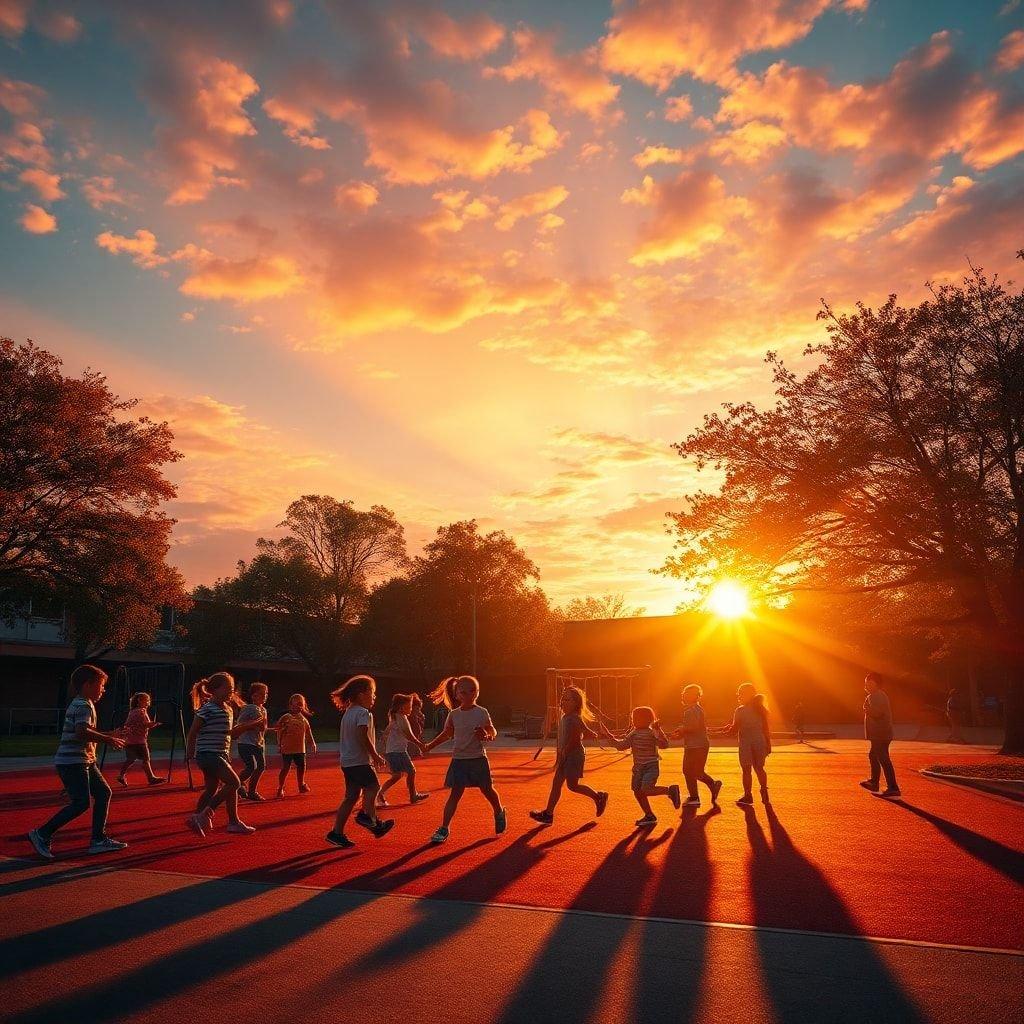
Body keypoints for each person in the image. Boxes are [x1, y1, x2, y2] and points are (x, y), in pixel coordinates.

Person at [28, 664, 128, 859]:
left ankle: (98, 840)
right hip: (74, 762)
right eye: (101, 685)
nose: (103, 690)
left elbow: (84, 731)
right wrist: (108, 739)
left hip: (83, 761)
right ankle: (42, 833)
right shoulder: (83, 705)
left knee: (103, 792)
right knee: (81, 803)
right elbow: (81, 732)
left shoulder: (84, 704)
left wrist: (110, 734)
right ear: (88, 684)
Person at [423, 675, 507, 844]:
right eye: (463, 691)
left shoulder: (482, 712)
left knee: (487, 790)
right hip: (459, 760)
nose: (468, 694)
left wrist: (488, 736)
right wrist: (430, 745)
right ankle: (444, 828)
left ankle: (499, 811)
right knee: (455, 794)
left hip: (477, 759)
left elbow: (492, 730)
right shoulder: (454, 715)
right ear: (457, 694)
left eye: (472, 690)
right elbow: (447, 734)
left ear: (477, 693)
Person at [185, 672, 263, 837]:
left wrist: (248, 726)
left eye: (232, 689)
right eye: (227, 688)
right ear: (214, 690)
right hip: (209, 755)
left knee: (212, 788)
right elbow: (193, 732)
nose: (230, 692)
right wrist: (190, 751)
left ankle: (216, 820)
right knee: (234, 783)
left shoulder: (228, 709)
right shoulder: (207, 709)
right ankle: (207, 813)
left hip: (220, 754)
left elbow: (230, 734)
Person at [326, 675, 394, 848]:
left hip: (348, 761)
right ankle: (367, 817)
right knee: (373, 787)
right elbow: (363, 735)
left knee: (351, 797)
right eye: (372, 692)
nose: (374, 697)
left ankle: (337, 833)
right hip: (359, 760)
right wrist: (376, 755)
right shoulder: (364, 713)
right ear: (362, 694)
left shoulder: (348, 713)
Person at [529, 685, 608, 824]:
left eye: (568, 700)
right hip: (567, 754)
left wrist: (565, 751)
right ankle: (548, 814)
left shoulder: (573, 718)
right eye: (563, 699)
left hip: (573, 756)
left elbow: (575, 739)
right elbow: (586, 731)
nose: (563, 702)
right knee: (556, 783)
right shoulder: (568, 717)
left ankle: (598, 796)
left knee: (573, 786)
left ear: (576, 703)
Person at [600, 706, 680, 827]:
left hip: (651, 766)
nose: (634, 720)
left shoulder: (652, 733)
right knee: (637, 791)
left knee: (646, 789)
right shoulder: (633, 734)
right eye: (633, 718)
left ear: (649, 719)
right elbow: (621, 746)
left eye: (637, 718)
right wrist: (609, 736)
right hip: (638, 768)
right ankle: (649, 815)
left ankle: (669, 790)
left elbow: (664, 745)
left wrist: (659, 730)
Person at [713, 682, 771, 806]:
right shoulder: (761, 709)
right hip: (760, 741)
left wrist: (722, 732)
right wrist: (768, 743)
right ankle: (764, 791)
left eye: (740, 694)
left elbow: (734, 729)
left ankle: (748, 795)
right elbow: (765, 728)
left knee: (746, 770)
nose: (738, 696)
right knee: (759, 768)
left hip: (746, 743)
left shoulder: (740, 710)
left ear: (746, 695)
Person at [670, 684, 722, 807]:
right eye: (684, 693)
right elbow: (695, 729)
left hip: (695, 746)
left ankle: (694, 797)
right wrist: (681, 733)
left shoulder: (691, 710)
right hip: (700, 744)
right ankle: (712, 785)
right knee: (697, 771)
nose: (684, 695)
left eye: (687, 694)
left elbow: (694, 727)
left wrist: (682, 729)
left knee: (688, 771)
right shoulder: (697, 709)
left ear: (694, 697)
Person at [378, 693, 429, 806]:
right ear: (401, 707)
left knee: (397, 775)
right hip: (397, 752)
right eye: (409, 706)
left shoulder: (398, 716)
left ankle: (380, 793)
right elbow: (408, 735)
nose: (411, 709)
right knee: (410, 772)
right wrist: (420, 745)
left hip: (395, 751)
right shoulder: (400, 717)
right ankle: (413, 796)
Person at [860, 672, 900, 797]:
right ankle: (874, 782)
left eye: (869, 683)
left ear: (876, 684)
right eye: (866, 683)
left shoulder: (877, 696)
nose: (866, 685)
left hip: (880, 734)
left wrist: (866, 709)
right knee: (874, 755)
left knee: (883, 758)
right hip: (880, 733)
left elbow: (878, 713)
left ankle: (892, 787)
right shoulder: (876, 695)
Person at [117, 691, 165, 787]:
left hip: (130, 741)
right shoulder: (141, 711)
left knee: (130, 759)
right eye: (146, 701)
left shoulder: (132, 711)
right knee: (146, 759)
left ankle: (121, 775)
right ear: (139, 701)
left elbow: (134, 724)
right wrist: (154, 724)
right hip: (139, 741)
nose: (148, 703)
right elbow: (145, 724)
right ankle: (151, 777)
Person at [274, 693, 316, 797]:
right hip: (287, 748)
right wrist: (279, 744)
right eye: (295, 704)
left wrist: (313, 743)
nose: (298, 706)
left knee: (302, 766)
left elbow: (308, 732)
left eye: (300, 704)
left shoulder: (304, 720)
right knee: (286, 767)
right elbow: (279, 731)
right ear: (290, 705)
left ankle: (301, 784)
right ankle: (280, 787)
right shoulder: (285, 717)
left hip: (300, 749)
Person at [236, 682, 269, 801]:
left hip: (258, 743)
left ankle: (251, 791)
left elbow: (263, 727)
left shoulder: (264, 710)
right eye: (261, 694)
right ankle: (236, 783)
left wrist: (272, 729)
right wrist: (251, 726)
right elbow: (239, 724)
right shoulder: (249, 708)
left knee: (261, 767)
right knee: (251, 766)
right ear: (254, 696)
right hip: (245, 742)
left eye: (266, 694)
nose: (265, 696)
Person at [409, 692, 426, 758]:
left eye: (418, 709)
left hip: (415, 735)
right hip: (411, 738)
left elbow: (418, 731)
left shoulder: (418, 715)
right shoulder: (408, 716)